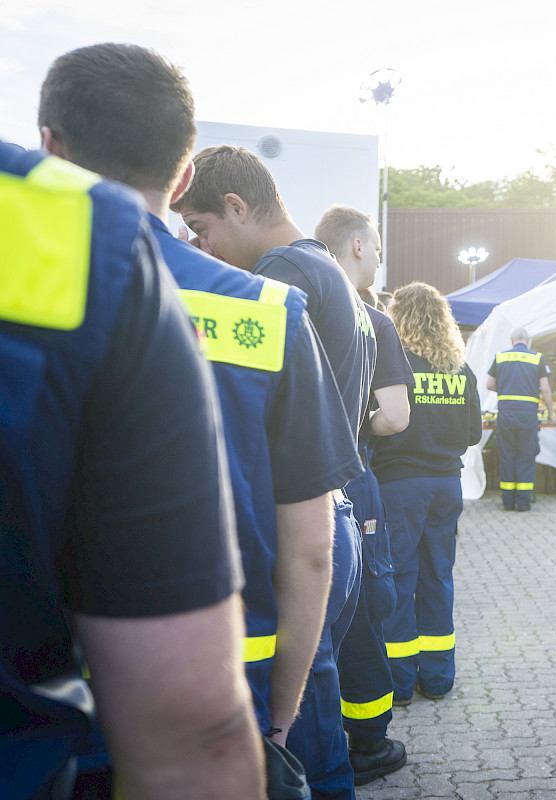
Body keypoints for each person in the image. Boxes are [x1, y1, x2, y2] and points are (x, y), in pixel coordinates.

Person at [38, 43, 366, 797]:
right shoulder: (271, 310)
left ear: (51, 150)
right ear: (184, 174)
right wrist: (279, 727)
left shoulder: (24, 302)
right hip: (229, 673)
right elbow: (311, 550)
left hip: (44, 678)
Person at [0, 139, 264, 797]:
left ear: (54, 142)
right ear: (182, 176)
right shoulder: (76, 238)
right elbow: (192, 737)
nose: (200, 245)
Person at [175, 145, 376, 800]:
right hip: (334, 512)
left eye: (202, 230)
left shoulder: (280, 276)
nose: (203, 250)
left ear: (237, 207)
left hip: (307, 526)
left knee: (302, 757)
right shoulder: (327, 271)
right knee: (318, 706)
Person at [316, 204, 414, 785]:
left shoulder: (288, 301)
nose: (378, 258)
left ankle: (310, 738)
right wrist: (358, 428)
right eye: (376, 247)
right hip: (352, 478)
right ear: (356, 246)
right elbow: (397, 416)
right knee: (361, 608)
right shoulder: (372, 320)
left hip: (291, 479)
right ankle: (370, 745)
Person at [373, 282, 482, 705]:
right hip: (446, 486)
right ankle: (437, 678)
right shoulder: (461, 370)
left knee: (399, 578)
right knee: (438, 577)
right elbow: (473, 435)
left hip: (400, 486)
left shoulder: (394, 368)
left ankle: (399, 682)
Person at [487, 327, 554, 511]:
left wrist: (507, 388)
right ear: (528, 341)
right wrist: (551, 412)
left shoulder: (500, 357)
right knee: (525, 455)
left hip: (506, 414)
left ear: (511, 340)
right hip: (527, 415)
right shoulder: (536, 358)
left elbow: (489, 384)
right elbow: (546, 389)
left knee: (507, 455)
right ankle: (523, 502)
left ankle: (507, 501)